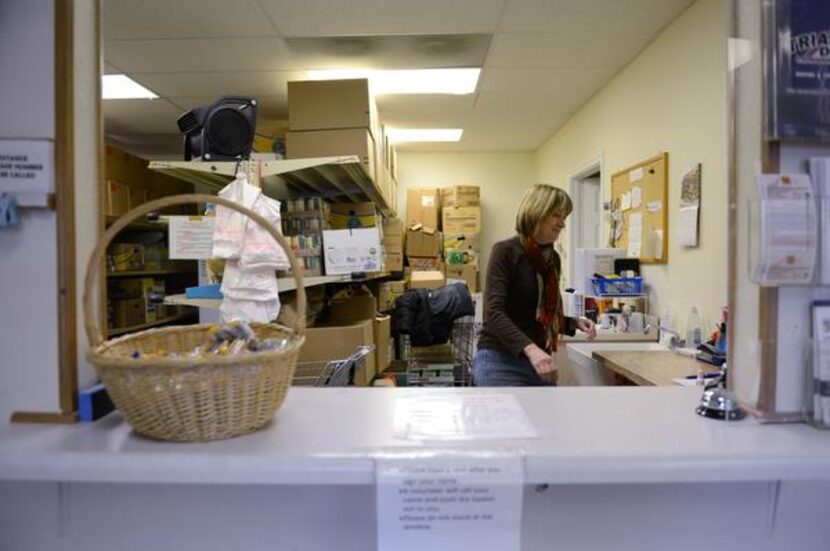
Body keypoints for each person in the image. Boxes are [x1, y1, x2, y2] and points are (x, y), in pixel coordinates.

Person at [474, 184, 596, 386]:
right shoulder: (505, 251)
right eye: (556, 215)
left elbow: (537, 315)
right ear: (536, 212)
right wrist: (531, 350)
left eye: (564, 217)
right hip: (501, 362)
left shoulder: (551, 259)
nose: (562, 224)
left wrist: (572, 323)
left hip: (539, 363)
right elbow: (493, 314)